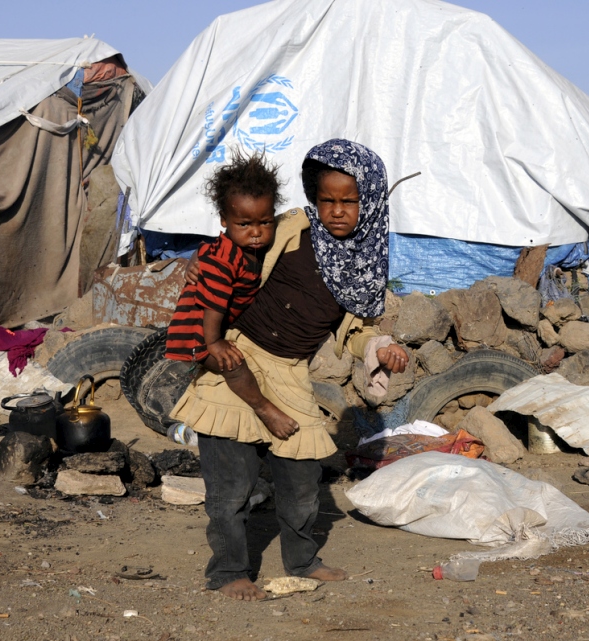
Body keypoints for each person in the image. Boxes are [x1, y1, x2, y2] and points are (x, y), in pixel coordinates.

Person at [171, 139, 409, 601]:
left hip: (292, 375)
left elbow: (353, 330)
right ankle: (229, 572)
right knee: (231, 487)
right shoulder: (290, 229)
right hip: (238, 359)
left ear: (372, 201)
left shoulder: (364, 263)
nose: (337, 211)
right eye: (327, 200)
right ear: (313, 198)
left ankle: (301, 560)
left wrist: (381, 348)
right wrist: (197, 262)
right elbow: (237, 242)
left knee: (302, 481)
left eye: (349, 201)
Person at [164, 150, 285, 422]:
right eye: (244, 224)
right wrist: (215, 343)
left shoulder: (247, 248)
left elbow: (204, 248)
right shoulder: (225, 261)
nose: (256, 232)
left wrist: (194, 258)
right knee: (232, 365)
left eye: (265, 222)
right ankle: (262, 408)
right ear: (223, 220)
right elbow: (213, 307)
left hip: (213, 325)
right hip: (197, 332)